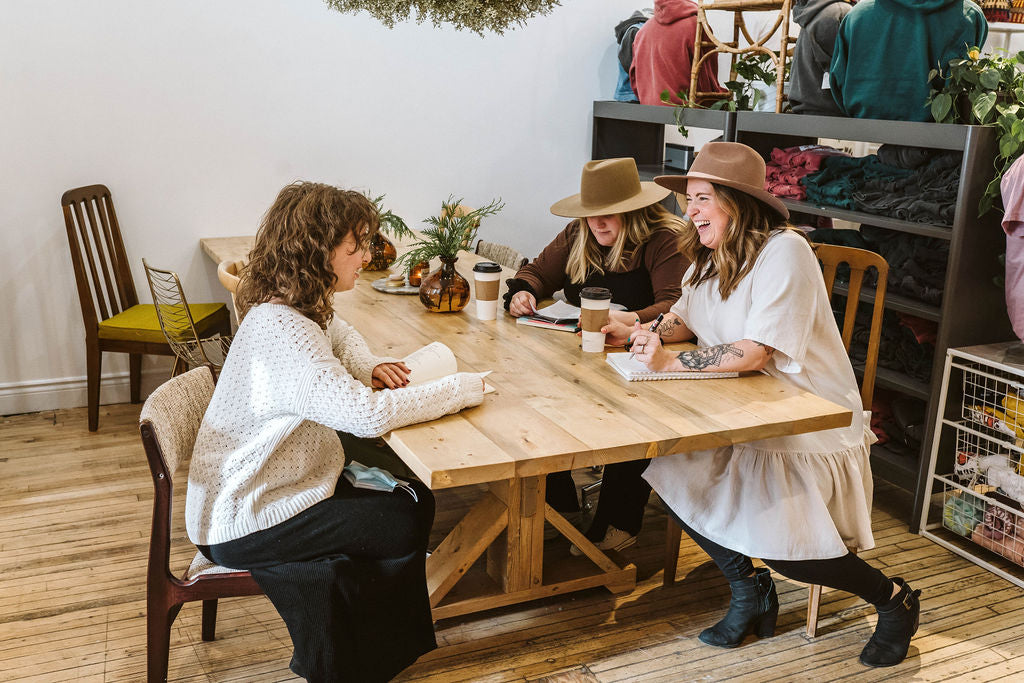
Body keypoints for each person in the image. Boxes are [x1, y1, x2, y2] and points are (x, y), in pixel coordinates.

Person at [604, 142, 921, 668]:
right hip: (743, 406)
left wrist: (670, 364)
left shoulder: (785, 251)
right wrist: (642, 331)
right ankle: (750, 590)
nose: (691, 211)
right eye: (690, 200)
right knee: (669, 473)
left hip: (807, 418)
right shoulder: (710, 255)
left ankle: (893, 599)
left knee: (784, 547)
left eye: (702, 198)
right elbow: (685, 316)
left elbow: (755, 352)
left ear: (736, 201)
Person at [185, 182, 485, 682]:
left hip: (251, 491)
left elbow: (337, 332)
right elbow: (366, 417)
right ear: (317, 252)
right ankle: (363, 658)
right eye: (356, 246)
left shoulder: (292, 305)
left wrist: (368, 365)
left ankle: (366, 642)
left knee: (403, 491)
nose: (367, 256)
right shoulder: (285, 331)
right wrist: (459, 389)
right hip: (244, 516)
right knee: (407, 507)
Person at [504, 156, 688, 552]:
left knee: (631, 422)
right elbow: (538, 272)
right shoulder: (578, 233)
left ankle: (621, 520)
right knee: (530, 399)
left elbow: (677, 307)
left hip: (640, 357)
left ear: (634, 211)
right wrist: (524, 291)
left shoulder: (664, 240)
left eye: (609, 215)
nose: (597, 224)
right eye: (591, 215)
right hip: (578, 356)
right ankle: (559, 504)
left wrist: (631, 320)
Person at [829, 0, 986, 121]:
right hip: (937, 135)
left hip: (864, 123)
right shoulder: (970, 16)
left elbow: (837, 80)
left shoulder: (857, 15)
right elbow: (965, 80)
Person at [629, 0, 726, 106]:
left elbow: (634, 78)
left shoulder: (642, 32)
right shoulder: (696, 26)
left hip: (650, 112)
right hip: (686, 113)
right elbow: (706, 77)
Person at [788, 0, 853, 116]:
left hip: (807, 106)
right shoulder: (839, 11)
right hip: (829, 113)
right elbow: (841, 71)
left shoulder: (815, 11)